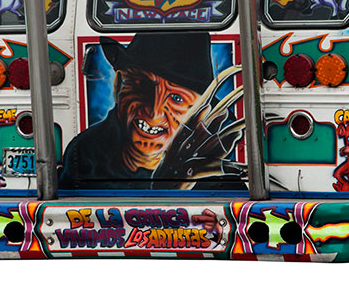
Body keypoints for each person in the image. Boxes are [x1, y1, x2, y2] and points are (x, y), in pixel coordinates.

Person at [58, 31, 243, 190]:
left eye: (177, 98)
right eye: (142, 85)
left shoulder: (215, 171)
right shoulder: (84, 153)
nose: (154, 113)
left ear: (199, 112)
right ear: (118, 85)